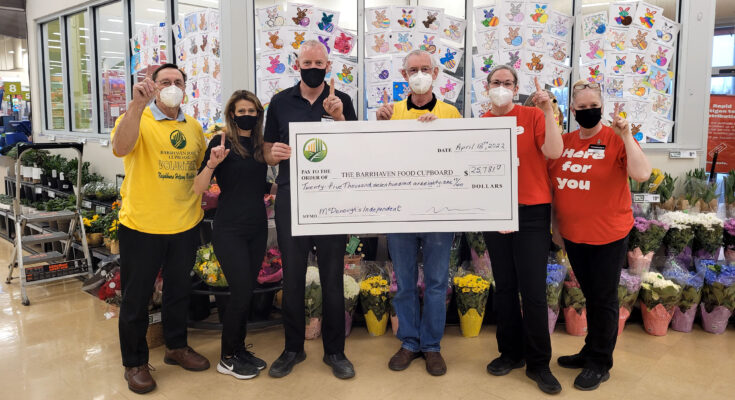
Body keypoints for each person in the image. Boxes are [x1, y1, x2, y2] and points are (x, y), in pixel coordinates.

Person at [111, 63, 209, 394]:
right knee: (136, 298)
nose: (172, 86)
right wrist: (136, 105)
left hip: (185, 224)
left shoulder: (195, 127)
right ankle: (135, 363)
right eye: (165, 81)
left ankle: (176, 347)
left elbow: (199, 173)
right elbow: (121, 148)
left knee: (179, 292)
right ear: (152, 86)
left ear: (186, 87)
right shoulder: (137, 119)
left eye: (178, 81)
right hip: (142, 226)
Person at [263, 40, 358, 380]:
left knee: (333, 278)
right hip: (292, 200)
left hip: (331, 201)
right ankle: (292, 349)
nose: (313, 66)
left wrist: (339, 117)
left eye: (319, 61)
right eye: (308, 61)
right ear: (297, 64)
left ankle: (335, 351)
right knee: (293, 277)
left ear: (328, 65)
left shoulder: (341, 100)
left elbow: (356, 146)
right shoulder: (279, 102)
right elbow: (266, 150)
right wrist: (274, 153)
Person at [548, 81, 651, 391]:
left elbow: (642, 173)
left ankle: (600, 362)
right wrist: (557, 230)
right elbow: (555, 190)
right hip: (575, 236)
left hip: (608, 236)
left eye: (595, 107)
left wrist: (626, 135)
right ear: (573, 111)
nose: (589, 112)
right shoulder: (563, 142)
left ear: (602, 109)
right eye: (582, 108)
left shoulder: (615, 139)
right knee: (591, 296)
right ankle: (589, 350)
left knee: (604, 300)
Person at [376, 49, 460, 377]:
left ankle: (432, 345)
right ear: (403, 74)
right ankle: (409, 341)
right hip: (400, 212)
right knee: (405, 281)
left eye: (425, 68)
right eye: (414, 69)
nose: (420, 73)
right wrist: (378, 127)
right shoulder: (390, 112)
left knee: (438, 282)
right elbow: (376, 161)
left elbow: (459, 161)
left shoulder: (451, 113)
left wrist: (438, 132)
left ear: (436, 73)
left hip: (439, 212)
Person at [480, 65, 564, 394]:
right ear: (486, 87)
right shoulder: (480, 124)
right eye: (496, 82)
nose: (501, 87)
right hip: (495, 213)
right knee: (504, 287)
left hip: (531, 213)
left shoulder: (532, 116)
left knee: (532, 290)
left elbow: (554, 152)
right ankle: (510, 353)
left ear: (516, 89)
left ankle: (539, 363)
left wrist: (547, 111)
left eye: (508, 83)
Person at [192, 90, 270, 380]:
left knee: (247, 291)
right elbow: (198, 188)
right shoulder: (220, 142)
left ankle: (238, 349)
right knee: (238, 292)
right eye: (242, 110)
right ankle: (226, 357)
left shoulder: (262, 145)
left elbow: (257, 185)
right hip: (229, 229)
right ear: (232, 114)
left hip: (257, 228)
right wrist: (212, 163)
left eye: (252, 110)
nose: (247, 115)